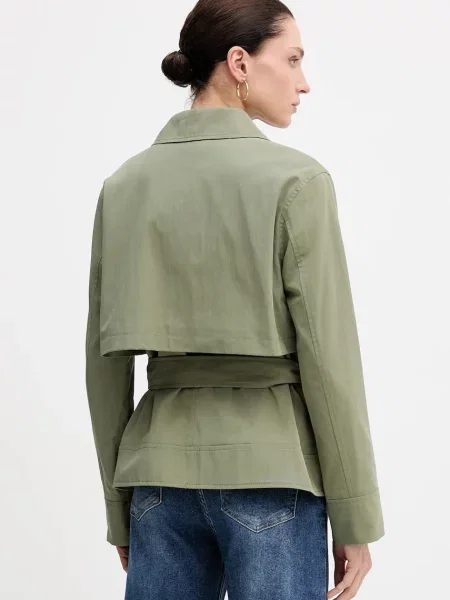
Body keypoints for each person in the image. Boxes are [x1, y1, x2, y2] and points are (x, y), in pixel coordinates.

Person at [85, 1, 385, 598]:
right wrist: (355, 517)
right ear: (240, 63)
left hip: (157, 479)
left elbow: (104, 365)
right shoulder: (297, 182)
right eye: (292, 60)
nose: (304, 82)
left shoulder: (123, 187)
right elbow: (330, 361)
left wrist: (119, 508)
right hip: (273, 477)